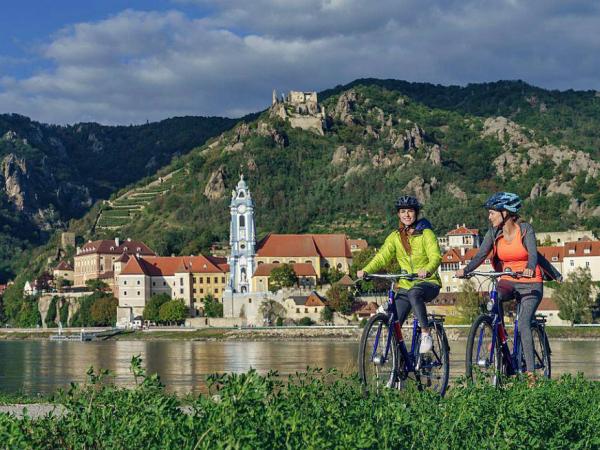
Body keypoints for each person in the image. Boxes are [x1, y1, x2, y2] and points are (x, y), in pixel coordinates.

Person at [455, 192, 562, 377]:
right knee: (494, 298)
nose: (489, 217)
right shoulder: (493, 233)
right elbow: (481, 255)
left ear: (505, 213)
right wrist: (466, 269)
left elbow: (534, 255)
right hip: (508, 280)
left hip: (531, 283)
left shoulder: (526, 229)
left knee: (523, 324)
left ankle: (530, 375)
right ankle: (499, 334)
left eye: (492, 213)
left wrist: (530, 267)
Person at [357, 195, 442, 353]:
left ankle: (426, 334)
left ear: (416, 213)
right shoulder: (395, 237)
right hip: (405, 285)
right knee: (394, 322)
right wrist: (367, 270)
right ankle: (400, 366)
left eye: (410, 211)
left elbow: (436, 256)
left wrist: (428, 270)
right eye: (403, 211)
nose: (406, 215)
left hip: (428, 282)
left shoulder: (426, 234)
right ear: (398, 214)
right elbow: (382, 256)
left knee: (414, 293)